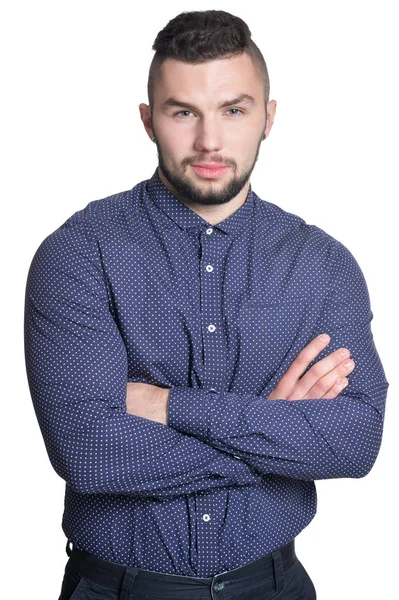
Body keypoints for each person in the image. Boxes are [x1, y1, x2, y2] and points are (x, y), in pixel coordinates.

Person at [24, 9, 388, 600]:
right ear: (148, 120)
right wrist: (272, 427)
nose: (209, 141)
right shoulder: (78, 254)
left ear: (268, 117)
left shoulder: (323, 264)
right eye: (183, 112)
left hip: (275, 586)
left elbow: (354, 441)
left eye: (234, 110)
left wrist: (165, 406)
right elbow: (88, 451)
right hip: (118, 589)